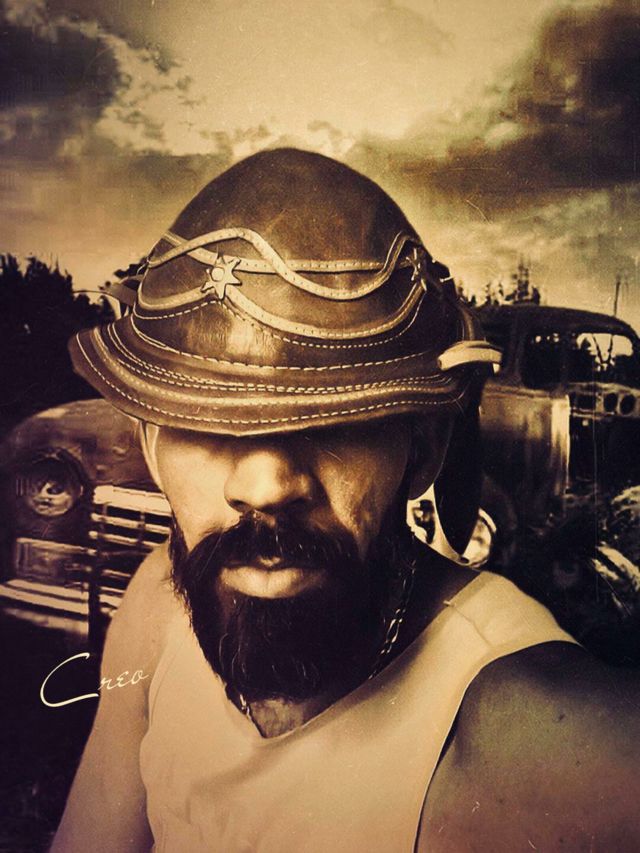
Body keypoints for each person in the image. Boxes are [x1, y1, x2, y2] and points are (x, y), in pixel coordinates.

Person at [53, 149, 640, 852]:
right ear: (151, 444)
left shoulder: (525, 731)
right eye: (206, 422)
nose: (265, 486)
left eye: (337, 423)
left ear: (422, 449)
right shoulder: (155, 606)